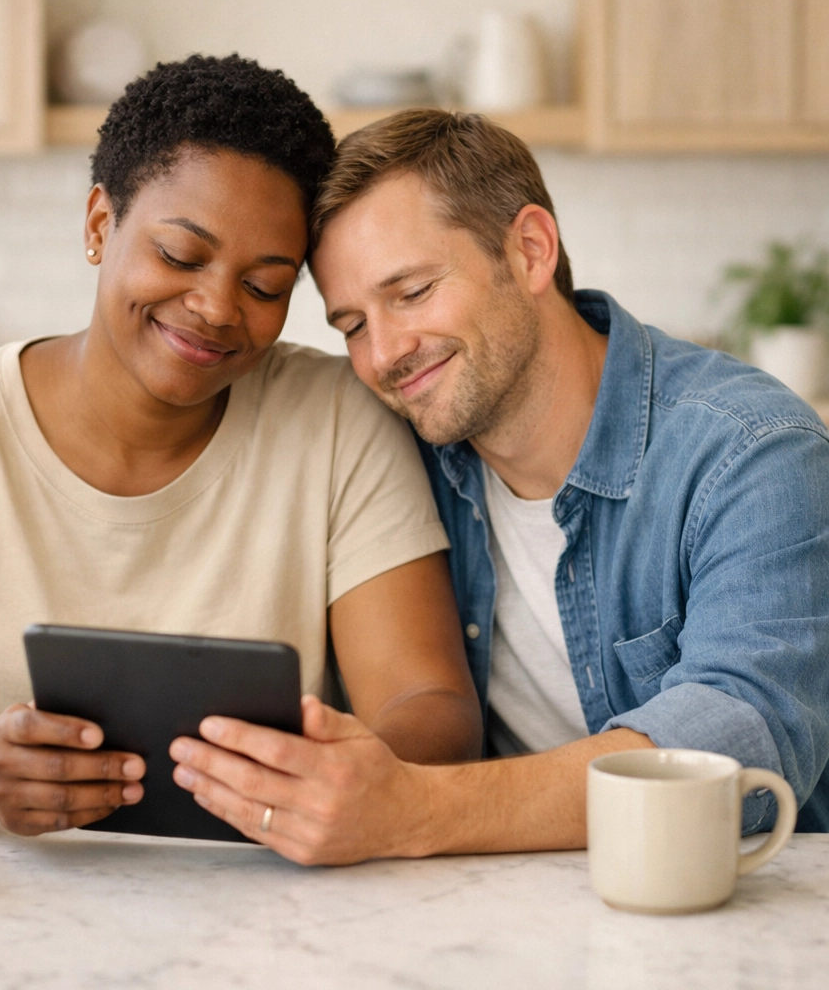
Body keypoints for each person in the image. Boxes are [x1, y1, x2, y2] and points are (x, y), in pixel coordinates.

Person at [0, 67, 483, 836]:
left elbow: (431, 706)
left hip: (268, 900)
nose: (216, 308)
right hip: (2, 903)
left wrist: (343, 783)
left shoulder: (336, 420)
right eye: (181, 256)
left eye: (264, 287)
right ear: (100, 224)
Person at [169, 108, 829, 865]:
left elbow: (746, 734)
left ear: (530, 250)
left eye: (412, 292)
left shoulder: (752, 454)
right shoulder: (398, 458)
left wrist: (417, 810)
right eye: (351, 325)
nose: (384, 354)